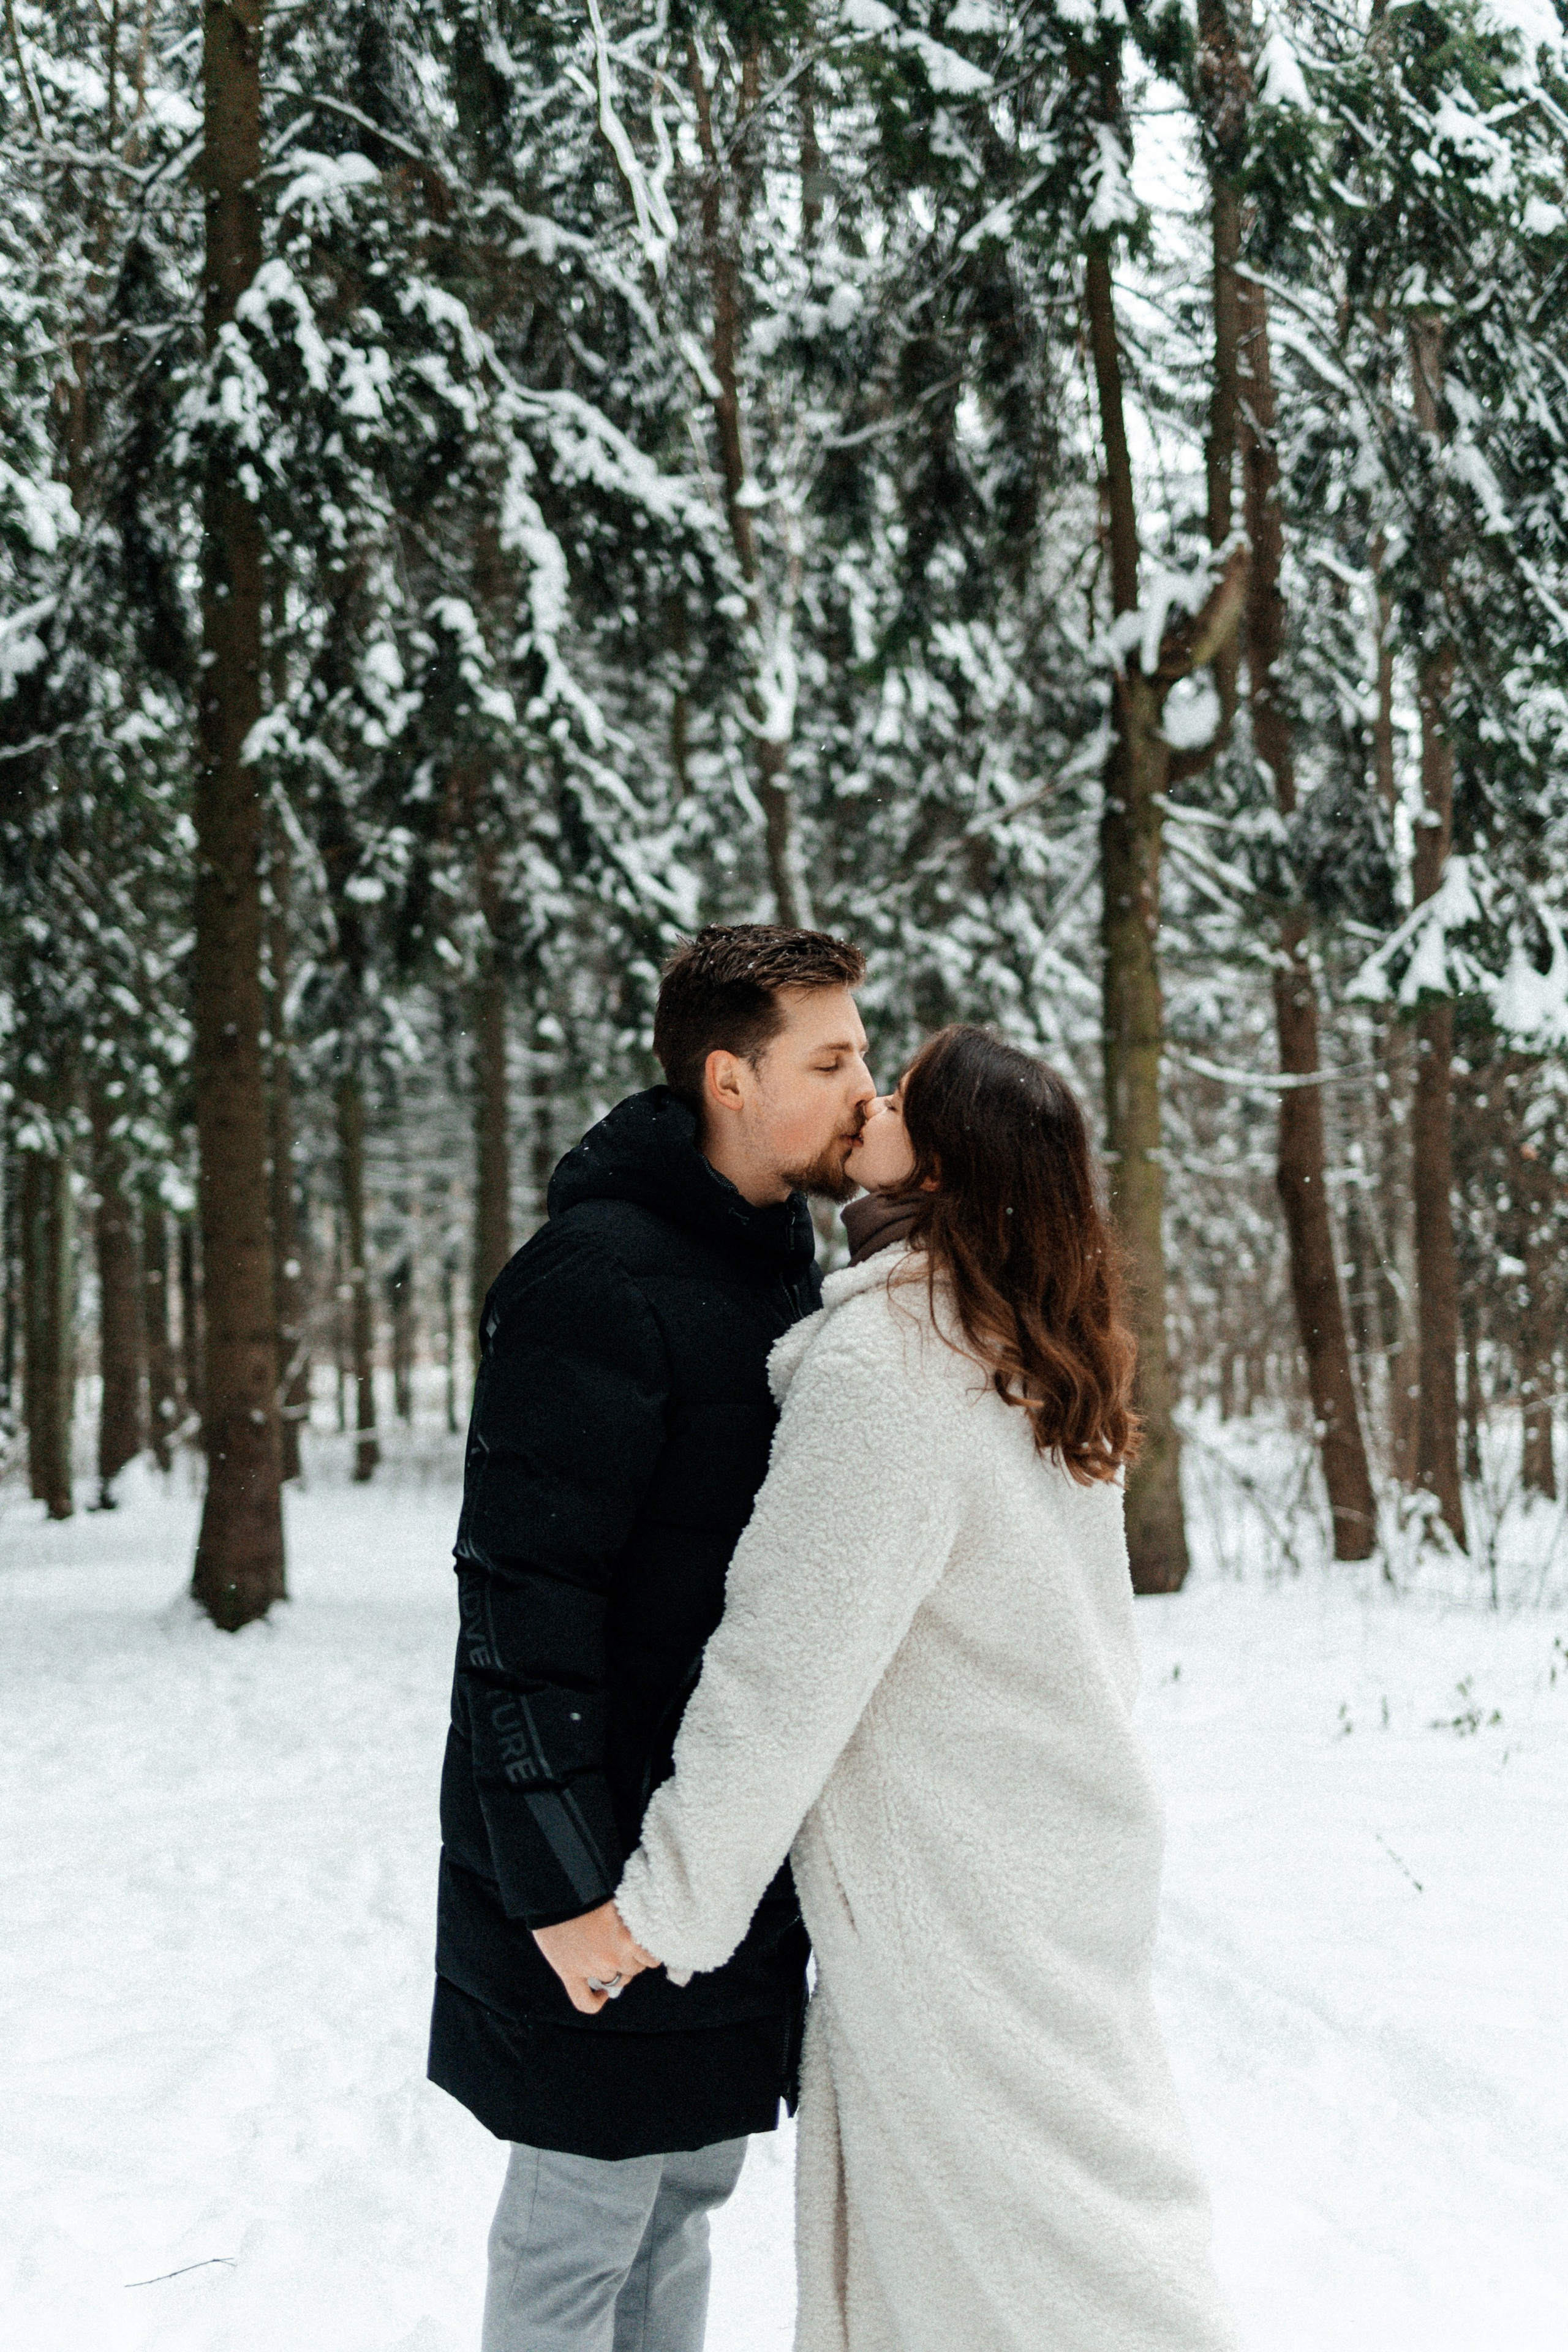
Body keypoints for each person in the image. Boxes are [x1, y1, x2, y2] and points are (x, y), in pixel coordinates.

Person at [590, 1025, 1237, 2352]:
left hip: (963, 1886)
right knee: (1002, 2240)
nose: (863, 1106)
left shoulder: (895, 1366)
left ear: (938, 1166)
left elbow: (782, 1669)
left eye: (893, 1096)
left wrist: (661, 1904)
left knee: (1050, 2257)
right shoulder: (1025, 1345)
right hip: (1058, 1851)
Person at [428, 923, 875, 2352]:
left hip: (710, 1852)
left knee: (679, 2194)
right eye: (832, 1056)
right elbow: (518, 1608)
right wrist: (562, 1893)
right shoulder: (593, 1281)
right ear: (730, 1079)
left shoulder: (771, 1265)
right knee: (579, 2226)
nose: (864, 1082)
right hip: (598, 1860)